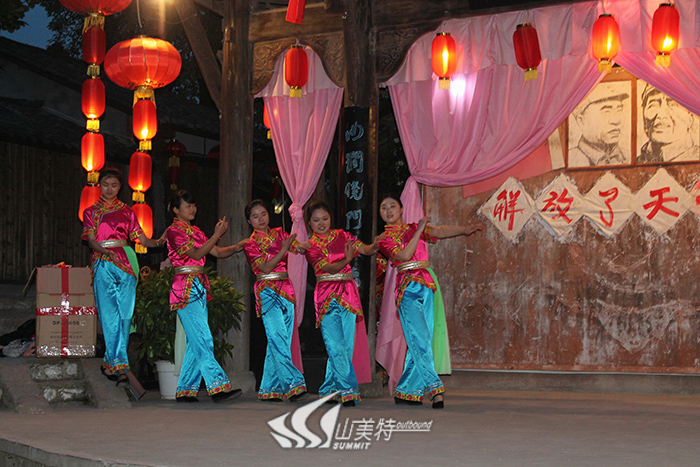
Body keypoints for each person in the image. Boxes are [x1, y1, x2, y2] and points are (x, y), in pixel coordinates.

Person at [377, 195, 482, 409]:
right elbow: (404, 255)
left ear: (401, 209)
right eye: (384, 207)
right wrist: (419, 231)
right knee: (420, 339)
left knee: (421, 340)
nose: (388, 211)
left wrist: (464, 230)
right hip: (407, 289)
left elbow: (439, 231)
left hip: (426, 285)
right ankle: (436, 389)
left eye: (392, 206)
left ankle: (407, 391)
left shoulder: (413, 227)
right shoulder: (383, 239)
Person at [82, 167, 164, 388]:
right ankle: (120, 366)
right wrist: (105, 251)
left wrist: (158, 242)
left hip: (127, 263)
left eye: (114, 185)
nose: (109, 189)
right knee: (109, 315)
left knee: (125, 316)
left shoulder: (128, 212)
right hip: (103, 262)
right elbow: (91, 241)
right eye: (105, 184)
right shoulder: (91, 212)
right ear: (100, 185)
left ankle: (110, 363)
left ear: (120, 187)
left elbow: (141, 239)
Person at [165, 190, 243, 403]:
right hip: (185, 287)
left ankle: (185, 390)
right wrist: (216, 235)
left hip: (198, 286)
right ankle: (217, 387)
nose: (192, 209)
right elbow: (196, 254)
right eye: (187, 206)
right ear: (176, 210)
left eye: (194, 205)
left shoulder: (196, 231)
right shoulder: (174, 231)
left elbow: (215, 252)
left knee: (196, 341)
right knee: (203, 337)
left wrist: (236, 247)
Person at [303, 200, 375, 407]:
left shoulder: (343, 236)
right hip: (326, 296)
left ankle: (329, 389)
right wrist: (347, 260)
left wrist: (376, 245)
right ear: (309, 223)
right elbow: (329, 268)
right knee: (334, 345)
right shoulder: (310, 246)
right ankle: (348, 390)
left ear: (330, 218)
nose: (321, 223)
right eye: (316, 220)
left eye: (325, 219)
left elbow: (364, 249)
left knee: (346, 345)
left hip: (347, 294)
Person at [242, 199, 308, 402]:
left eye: (263, 214)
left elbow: (299, 248)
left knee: (279, 341)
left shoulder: (280, 234)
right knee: (277, 338)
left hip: (286, 289)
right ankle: (293, 384)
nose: (261, 219)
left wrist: (310, 243)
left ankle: (269, 389)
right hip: (267, 291)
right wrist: (283, 249)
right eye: (255, 216)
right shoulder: (250, 244)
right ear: (249, 221)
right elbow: (265, 267)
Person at [569, 82, 630, 167]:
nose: (617, 120)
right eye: (606, 112)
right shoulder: (572, 160)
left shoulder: (629, 156)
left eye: (619, 110)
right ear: (581, 121)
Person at [638, 84, 700, 164]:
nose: (661, 115)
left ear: (690, 115)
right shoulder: (638, 161)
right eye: (653, 105)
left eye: (672, 105)